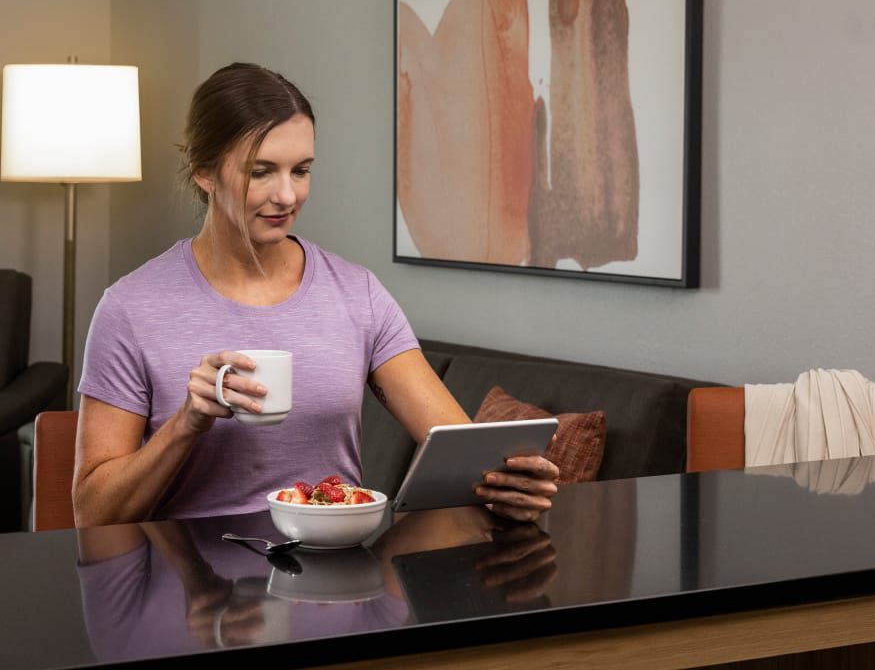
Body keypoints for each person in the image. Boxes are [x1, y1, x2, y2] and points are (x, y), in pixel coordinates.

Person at [72, 62, 558, 527]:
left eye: (300, 170)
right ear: (204, 171)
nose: (287, 196)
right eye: (261, 172)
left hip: (335, 577)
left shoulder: (357, 294)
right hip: (192, 592)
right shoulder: (131, 308)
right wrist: (188, 423)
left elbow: (457, 449)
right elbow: (92, 514)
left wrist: (508, 488)